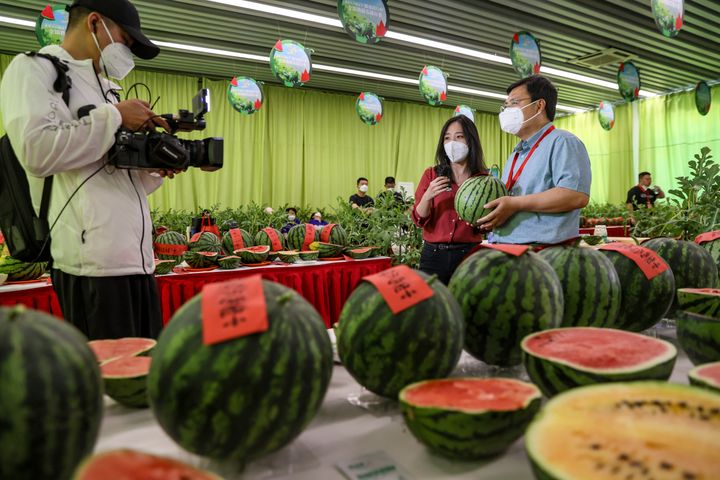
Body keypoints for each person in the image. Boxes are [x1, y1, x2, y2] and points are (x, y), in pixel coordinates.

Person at [0, 0, 175, 340]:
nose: (127, 52)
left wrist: (154, 169)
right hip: (91, 267)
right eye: (125, 40)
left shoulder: (108, 90)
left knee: (143, 374)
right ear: (95, 23)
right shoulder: (35, 70)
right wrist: (116, 117)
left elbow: (112, 178)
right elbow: (37, 152)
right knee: (106, 382)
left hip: (139, 261)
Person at [478, 75, 591, 246]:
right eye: (506, 106)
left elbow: (575, 195)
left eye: (514, 103)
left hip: (545, 253)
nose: (507, 111)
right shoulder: (517, 152)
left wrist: (515, 204)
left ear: (539, 105)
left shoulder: (562, 142)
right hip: (508, 248)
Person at [412, 115, 488, 285]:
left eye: (459, 137)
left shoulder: (483, 179)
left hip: (469, 255)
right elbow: (419, 219)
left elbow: (487, 223)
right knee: (433, 307)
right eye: (447, 138)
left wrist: (482, 223)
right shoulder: (431, 174)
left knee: (466, 306)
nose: (452, 143)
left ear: (471, 140)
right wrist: (428, 195)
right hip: (433, 255)